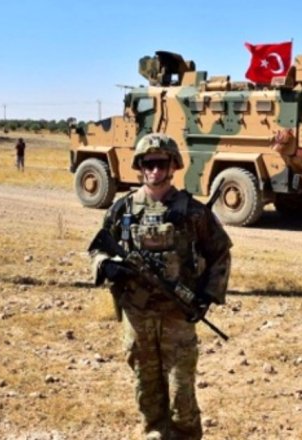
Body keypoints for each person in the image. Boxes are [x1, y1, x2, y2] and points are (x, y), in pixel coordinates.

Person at [88, 133, 232, 439]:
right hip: (137, 315)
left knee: (181, 397)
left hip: (177, 316)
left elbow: (220, 253)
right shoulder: (122, 209)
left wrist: (207, 296)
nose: (154, 170)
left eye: (161, 163)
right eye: (148, 163)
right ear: (140, 166)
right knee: (147, 392)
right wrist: (105, 265)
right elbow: (98, 247)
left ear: (173, 166)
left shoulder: (193, 212)